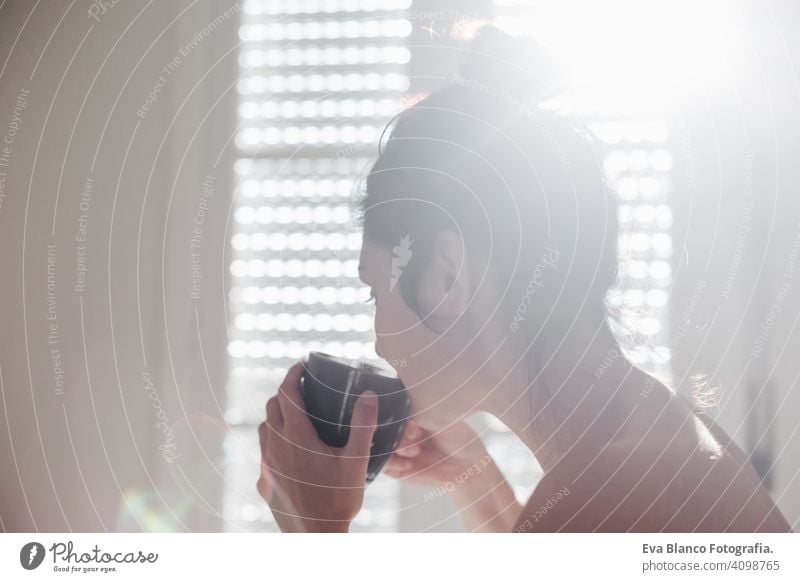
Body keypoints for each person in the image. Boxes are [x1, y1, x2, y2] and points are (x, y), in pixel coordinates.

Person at [256, 26, 792, 533]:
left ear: (447, 274)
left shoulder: (601, 501)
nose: (378, 337)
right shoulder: (650, 441)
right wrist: (478, 487)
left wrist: (316, 528)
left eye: (375, 292)